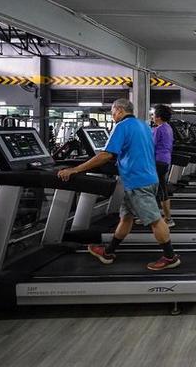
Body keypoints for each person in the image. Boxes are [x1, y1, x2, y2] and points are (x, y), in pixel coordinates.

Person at [57, 98, 180, 271]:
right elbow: (138, 149)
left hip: (138, 181)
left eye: (113, 112)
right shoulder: (144, 125)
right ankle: (108, 252)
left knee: (155, 220)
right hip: (147, 177)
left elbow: (106, 155)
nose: (112, 116)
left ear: (120, 110)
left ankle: (170, 257)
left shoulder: (122, 126)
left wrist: (76, 169)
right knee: (126, 217)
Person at [152, 104, 174, 227]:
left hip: (158, 161)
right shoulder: (168, 128)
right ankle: (153, 216)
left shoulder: (158, 129)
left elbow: (151, 145)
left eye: (153, 115)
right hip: (165, 160)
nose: (152, 117)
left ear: (158, 117)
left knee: (158, 189)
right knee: (161, 188)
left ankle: (168, 218)